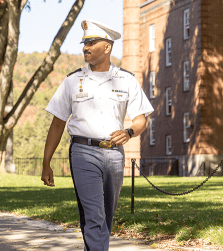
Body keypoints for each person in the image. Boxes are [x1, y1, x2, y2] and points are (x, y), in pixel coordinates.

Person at [41, 20, 154, 251]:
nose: (85, 47)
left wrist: (129, 132)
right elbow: (57, 124)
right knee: (94, 214)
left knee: (105, 217)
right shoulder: (73, 81)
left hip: (114, 155)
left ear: (108, 47)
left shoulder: (126, 80)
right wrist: (46, 162)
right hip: (83, 153)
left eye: (92, 42)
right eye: (84, 42)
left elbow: (141, 119)